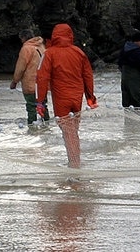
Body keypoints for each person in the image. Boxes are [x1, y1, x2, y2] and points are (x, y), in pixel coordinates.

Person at [36, 23, 97, 168]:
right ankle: (75, 160)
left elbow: (42, 78)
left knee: (67, 131)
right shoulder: (79, 52)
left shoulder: (49, 53)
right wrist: (90, 98)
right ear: (70, 35)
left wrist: (40, 101)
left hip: (61, 98)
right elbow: (88, 76)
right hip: (77, 98)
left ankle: (74, 163)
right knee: (73, 130)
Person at [10, 29, 50, 126]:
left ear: (23, 38)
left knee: (31, 107)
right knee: (43, 105)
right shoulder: (41, 47)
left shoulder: (26, 49)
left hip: (30, 84)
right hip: (42, 84)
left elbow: (21, 68)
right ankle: (47, 126)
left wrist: (15, 81)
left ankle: (32, 128)